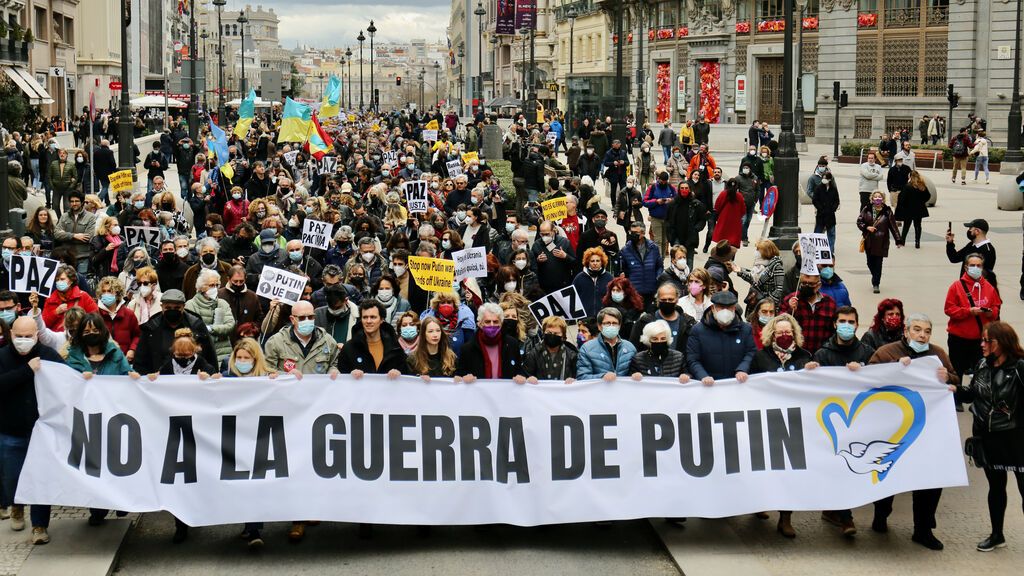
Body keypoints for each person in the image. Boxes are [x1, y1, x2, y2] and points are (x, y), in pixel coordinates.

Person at [869, 313, 958, 550]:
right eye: (917, 330)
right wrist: (894, 369)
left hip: (927, 430)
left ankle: (923, 529)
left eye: (927, 331)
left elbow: (955, 380)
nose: (922, 335)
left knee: (929, 479)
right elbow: (869, 378)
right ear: (906, 331)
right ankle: (881, 514)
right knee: (888, 474)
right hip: (892, 430)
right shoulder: (887, 352)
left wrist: (948, 377)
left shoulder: (938, 354)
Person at [957, 321, 1024, 552]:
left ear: (1003, 342)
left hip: (1016, 438)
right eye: (982, 340)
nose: (982, 344)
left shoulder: (1020, 367)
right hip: (987, 437)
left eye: (988, 340)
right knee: (996, 487)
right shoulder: (982, 364)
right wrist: (952, 387)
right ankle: (997, 535)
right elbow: (971, 395)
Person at [0, 316, 63, 545]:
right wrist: (27, 371)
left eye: (28, 336)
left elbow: (68, 380)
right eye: (19, 336)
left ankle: (39, 525)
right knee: (11, 478)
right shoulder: (2, 356)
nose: (23, 340)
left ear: (37, 335)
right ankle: (16, 504)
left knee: (41, 479)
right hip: (10, 430)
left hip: (41, 432)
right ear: (11, 334)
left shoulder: (48, 355)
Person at [944, 253, 1001, 385]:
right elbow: (949, 309)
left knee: (980, 373)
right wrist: (968, 311)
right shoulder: (956, 286)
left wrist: (990, 313)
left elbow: (996, 308)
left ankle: (976, 394)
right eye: (972, 265)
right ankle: (956, 394)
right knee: (956, 372)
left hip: (980, 341)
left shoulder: (989, 287)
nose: (975, 268)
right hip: (958, 340)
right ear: (966, 267)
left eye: (979, 265)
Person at [133, 289, 218, 375]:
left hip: (193, 379)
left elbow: (210, 356)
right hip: (159, 379)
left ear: (183, 306)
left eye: (177, 308)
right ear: (161, 306)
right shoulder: (151, 327)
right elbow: (141, 359)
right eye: (168, 308)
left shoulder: (196, 325)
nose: (172, 310)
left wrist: (212, 377)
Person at [686, 291, 756, 385]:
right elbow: (693, 358)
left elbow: (751, 352)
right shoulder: (698, 330)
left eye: (729, 307)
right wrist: (703, 376)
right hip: (708, 386)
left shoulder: (746, 329)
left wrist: (742, 369)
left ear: (734, 308)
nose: (725, 311)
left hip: (737, 384)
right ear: (713, 308)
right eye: (721, 307)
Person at [455, 303, 526, 381]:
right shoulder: (467, 348)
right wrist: (463, 377)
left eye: (495, 322)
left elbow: (519, 370)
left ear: (501, 323)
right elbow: (459, 375)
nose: (492, 325)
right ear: (480, 324)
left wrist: (521, 377)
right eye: (487, 321)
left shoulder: (512, 344)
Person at [338, 299, 408, 377]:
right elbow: (341, 377)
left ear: (382, 319)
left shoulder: (395, 347)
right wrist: (350, 376)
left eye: (373, 317)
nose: (368, 321)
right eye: (365, 317)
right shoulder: (349, 348)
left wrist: (399, 373)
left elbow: (406, 374)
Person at [185, 269, 236, 362]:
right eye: (212, 285)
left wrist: (211, 328)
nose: (215, 288)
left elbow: (230, 325)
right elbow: (193, 331)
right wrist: (218, 330)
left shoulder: (223, 303)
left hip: (223, 353)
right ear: (201, 287)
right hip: (202, 353)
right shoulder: (191, 305)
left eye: (217, 285)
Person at [857, 190, 903, 294]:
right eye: (875, 197)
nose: (877, 199)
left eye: (879, 197)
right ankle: (875, 276)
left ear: (883, 199)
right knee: (870, 262)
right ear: (872, 199)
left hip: (882, 241)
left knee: (878, 263)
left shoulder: (887, 211)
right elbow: (859, 221)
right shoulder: (867, 209)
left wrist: (898, 240)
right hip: (869, 240)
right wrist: (867, 227)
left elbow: (893, 227)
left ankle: (876, 283)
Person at [630, 283, 695, 355]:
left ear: (677, 299)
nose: (667, 302)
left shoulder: (688, 323)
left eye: (670, 299)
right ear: (657, 300)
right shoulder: (644, 322)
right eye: (663, 300)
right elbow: (633, 348)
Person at [577, 307, 638, 380]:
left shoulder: (630, 348)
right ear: (599, 326)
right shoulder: (587, 349)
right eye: (607, 323)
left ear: (619, 326)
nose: (611, 326)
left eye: (615, 323)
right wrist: (602, 376)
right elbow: (582, 377)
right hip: (600, 387)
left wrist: (636, 375)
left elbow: (635, 372)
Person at [95, 277, 140, 361]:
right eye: (104, 291)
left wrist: (132, 349)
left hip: (124, 360)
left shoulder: (129, 314)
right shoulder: (96, 315)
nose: (106, 294)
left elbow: (137, 335)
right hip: (102, 361)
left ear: (117, 293)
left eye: (109, 291)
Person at [523, 316, 578, 384]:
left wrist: (574, 380)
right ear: (543, 333)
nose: (552, 336)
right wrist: (529, 378)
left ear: (563, 336)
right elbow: (525, 374)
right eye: (549, 333)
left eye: (556, 333)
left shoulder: (571, 355)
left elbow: (578, 376)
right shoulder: (534, 353)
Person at [41, 265, 98, 330]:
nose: (59, 282)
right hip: (57, 335)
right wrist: (56, 312)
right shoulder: (50, 299)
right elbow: (43, 324)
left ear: (71, 281)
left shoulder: (83, 296)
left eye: (62, 279)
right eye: (57, 280)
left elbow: (95, 317)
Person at [54, 191, 97, 277]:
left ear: (82, 202)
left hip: (83, 257)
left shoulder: (90, 217)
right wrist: (74, 236)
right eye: (72, 201)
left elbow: (88, 237)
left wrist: (65, 235)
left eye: (76, 201)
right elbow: (57, 234)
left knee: (81, 281)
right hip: (66, 257)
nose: (74, 203)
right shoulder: (64, 216)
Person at [666, 182, 708, 269]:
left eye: (686, 188)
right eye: (682, 188)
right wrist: (670, 234)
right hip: (676, 235)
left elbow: (702, 219)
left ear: (689, 190)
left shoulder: (696, 204)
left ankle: (688, 276)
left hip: (690, 236)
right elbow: (667, 220)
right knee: (676, 259)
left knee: (689, 261)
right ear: (679, 189)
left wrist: (696, 229)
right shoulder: (673, 204)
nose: (684, 190)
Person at [732, 239, 785, 308]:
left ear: (766, 251)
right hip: (756, 302)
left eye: (758, 250)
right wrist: (740, 271)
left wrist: (768, 303)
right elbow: (753, 280)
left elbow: (779, 289)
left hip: (767, 306)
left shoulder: (776, 266)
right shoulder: (759, 265)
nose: (756, 252)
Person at [531, 220, 577, 295]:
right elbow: (532, 266)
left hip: (562, 285)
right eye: (542, 234)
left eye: (547, 234)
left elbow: (575, 263)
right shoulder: (536, 245)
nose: (544, 236)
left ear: (553, 231)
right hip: (544, 287)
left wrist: (565, 256)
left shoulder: (564, 242)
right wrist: (538, 261)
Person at [572, 247, 613, 319]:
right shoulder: (579, 278)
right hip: (584, 318)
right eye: (592, 261)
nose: (595, 263)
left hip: (604, 317)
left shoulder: (609, 277)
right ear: (588, 262)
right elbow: (573, 298)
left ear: (602, 262)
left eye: (598, 261)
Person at [643, 171, 676, 255]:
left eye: (665, 181)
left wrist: (671, 200)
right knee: (658, 240)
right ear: (658, 179)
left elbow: (677, 199)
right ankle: (659, 259)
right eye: (662, 181)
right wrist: (656, 201)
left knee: (665, 241)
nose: (663, 183)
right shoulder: (652, 187)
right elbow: (645, 201)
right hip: (655, 218)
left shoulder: (671, 187)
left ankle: (662, 258)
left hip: (667, 218)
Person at [896, 170, 930, 249]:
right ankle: (917, 242)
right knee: (918, 225)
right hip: (919, 209)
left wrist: (903, 206)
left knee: (906, 225)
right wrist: (922, 202)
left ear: (910, 177)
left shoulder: (907, 186)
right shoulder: (922, 186)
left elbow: (902, 198)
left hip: (908, 209)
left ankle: (902, 241)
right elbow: (928, 196)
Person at [712, 178, 745, 248]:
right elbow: (743, 210)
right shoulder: (739, 196)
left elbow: (717, 206)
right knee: (733, 239)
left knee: (722, 237)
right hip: (735, 221)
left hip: (724, 218)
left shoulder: (723, 193)